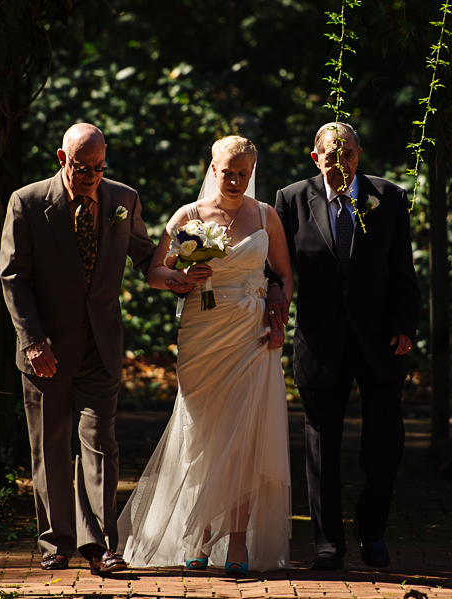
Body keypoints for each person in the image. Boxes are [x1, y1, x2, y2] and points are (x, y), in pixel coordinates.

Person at [0, 123, 185, 575]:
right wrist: (32, 341)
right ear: (63, 160)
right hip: (46, 346)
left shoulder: (124, 199)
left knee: (101, 442)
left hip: (101, 344)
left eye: (101, 168)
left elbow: (146, 256)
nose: (93, 177)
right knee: (51, 447)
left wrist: (181, 274)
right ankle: (56, 542)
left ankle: (102, 545)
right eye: (84, 169)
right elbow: (13, 278)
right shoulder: (27, 202)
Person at [117, 135, 295, 575]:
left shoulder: (266, 216)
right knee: (202, 435)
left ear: (251, 174)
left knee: (247, 441)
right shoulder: (189, 216)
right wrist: (182, 276)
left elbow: (286, 275)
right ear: (212, 169)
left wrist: (279, 311)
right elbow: (155, 273)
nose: (234, 181)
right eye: (227, 172)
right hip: (202, 333)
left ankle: (237, 542)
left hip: (251, 338)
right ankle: (195, 535)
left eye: (243, 174)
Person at [266, 122, 421, 570]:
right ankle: (327, 544)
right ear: (316, 159)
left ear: (359, 155)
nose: (341, 164)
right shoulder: (291, 200)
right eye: (331, 157)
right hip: (320, 341)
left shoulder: (388, 198)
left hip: (379, 341)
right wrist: (274, 304)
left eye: (348, 154)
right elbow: (277, 270)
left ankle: (372, 533)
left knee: (385, 443)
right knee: (321, 445)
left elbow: (403, 273)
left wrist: (406, 325)